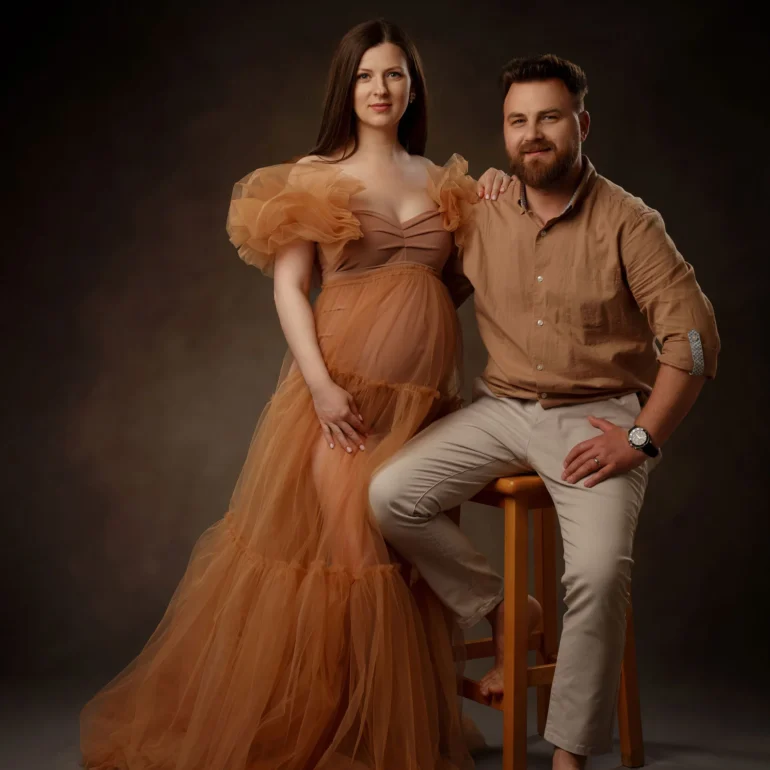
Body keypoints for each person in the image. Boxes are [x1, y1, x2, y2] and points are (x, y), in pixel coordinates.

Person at [80, 18, 535, 770]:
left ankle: (391, 722)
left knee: (402, 554)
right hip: (340, 395)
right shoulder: (315, 175)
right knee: (353, 558)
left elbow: (461, 286)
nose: (380, 88)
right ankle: (350, 734)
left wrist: (496, 196)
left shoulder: (445, 183)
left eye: (394, 74)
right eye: (366, 75)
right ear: (346, 88)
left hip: (424, 403)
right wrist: (321, 387)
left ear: (413, 86)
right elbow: (291, 288)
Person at [369, 54, 720, 770]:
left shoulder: (630, 222)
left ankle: (568, 755)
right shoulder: (484, 209)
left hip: (596, 418)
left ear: (581, 124)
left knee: (597, 575)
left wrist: (641, 437)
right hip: (501, 410)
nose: (532, 134)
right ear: (504, 131)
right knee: (390, 496)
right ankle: (506, 609)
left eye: (549, 118)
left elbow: (695, 342)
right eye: (518, 121)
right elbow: (422, 294)